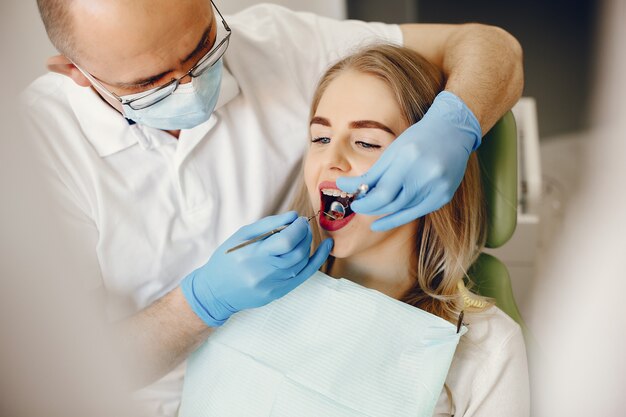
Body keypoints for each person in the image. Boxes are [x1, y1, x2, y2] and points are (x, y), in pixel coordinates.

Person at [20, 0, 523, 415]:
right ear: (76, 73)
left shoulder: (484, 350)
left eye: (201, 48)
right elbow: (58, 378)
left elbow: (491, 47)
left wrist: (457, 122)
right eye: (152, 82)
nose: (193, 86)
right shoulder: (33, 152)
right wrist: (200, 304)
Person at [180, 44, 529, 416]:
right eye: (320, 138)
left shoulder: (487, 347)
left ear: (430, 169)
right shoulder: (247, 285)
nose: (331, 161)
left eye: (367, 142)